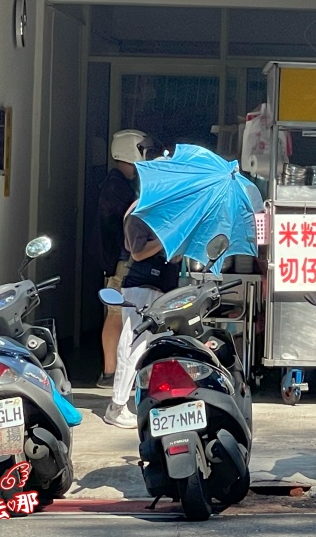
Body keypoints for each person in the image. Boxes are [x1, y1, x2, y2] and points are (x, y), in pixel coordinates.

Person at [104, 200, 181, 428]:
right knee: (133, 343)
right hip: (141, 286)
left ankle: (151, 399)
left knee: (154, 345)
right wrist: (165, 238)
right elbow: (138, 253)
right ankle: (117, 406)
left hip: (163, 286)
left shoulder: (168, 212)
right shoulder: (139, 212)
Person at [93, 129, 157, 389]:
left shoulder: (121, 183)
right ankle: (110, 373)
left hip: (119, 259)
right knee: (116, 314)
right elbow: (126, 224)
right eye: (142, 150)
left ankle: (115, 372)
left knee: (120, 314)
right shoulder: (117, 187)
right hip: (120, 261)